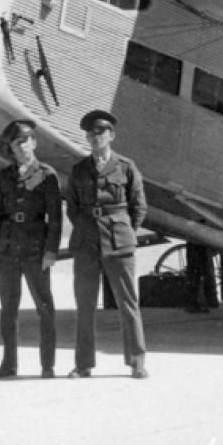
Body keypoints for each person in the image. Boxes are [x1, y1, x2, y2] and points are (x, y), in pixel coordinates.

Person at [65, 109, 149, 379]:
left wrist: (124, 230)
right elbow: (73, 208)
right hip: (87, 243)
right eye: (91, 133)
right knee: (85, 305)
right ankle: (83, 364)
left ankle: (137, 361)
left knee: (128, 303)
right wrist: (87, 227)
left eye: (101, 132)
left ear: (111, 135)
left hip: (118, 242)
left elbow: (139, 206)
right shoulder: (79, 169)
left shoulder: (126, 167)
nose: (95, 137)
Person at [0, 120, 61, 378]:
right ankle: (9, 364)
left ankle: (47, 365)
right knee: (8, 309)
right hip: (8, 249)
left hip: (35, 250)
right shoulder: (5, 175)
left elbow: (55, 218)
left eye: (24, 141)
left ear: (34, 143)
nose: (20, 147)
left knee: (44, 308)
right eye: (15, 144)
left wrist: (51, 252)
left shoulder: (47, 175)